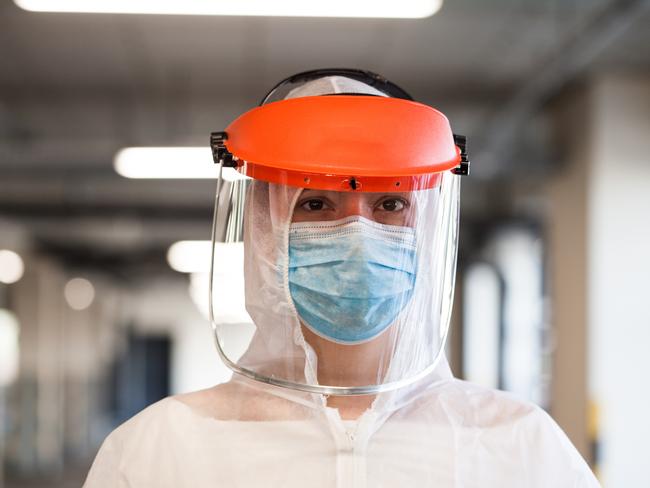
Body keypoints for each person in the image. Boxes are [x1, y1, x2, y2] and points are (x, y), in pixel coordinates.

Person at [84, 69, 600, 487]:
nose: (358, 234)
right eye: (315, 203)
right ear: (264, 229)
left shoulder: (517, 444)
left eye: (391, 202)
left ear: (427, 222)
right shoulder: (162, 451)